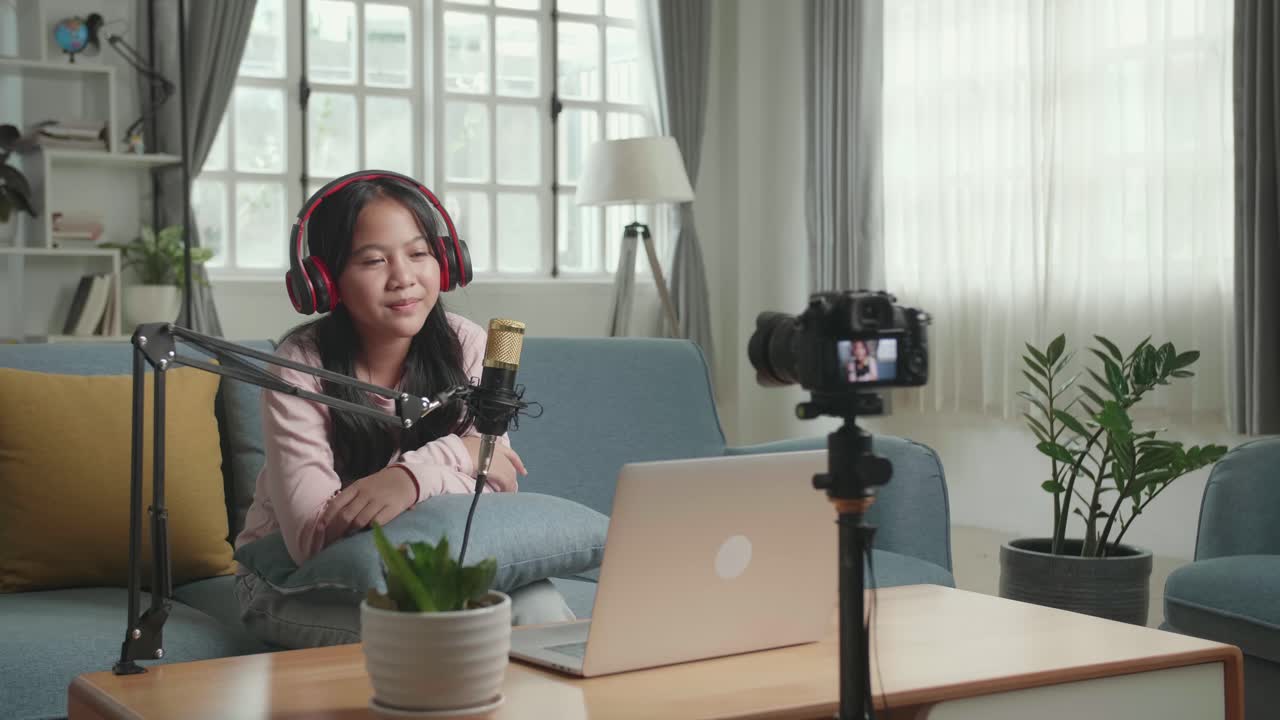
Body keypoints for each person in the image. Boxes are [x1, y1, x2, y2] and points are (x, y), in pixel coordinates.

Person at [234, 176, 572, 647]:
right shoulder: (299, 366)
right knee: (437, 641)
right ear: (325, 282)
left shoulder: (469, 344)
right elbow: (314, 535)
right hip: (293, 583)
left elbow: (496, 486)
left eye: (418, 254)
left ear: (446, 261)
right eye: (374, 260)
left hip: (426, 562)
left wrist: (411, 479)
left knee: (540, 607)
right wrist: (463, 454)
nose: (404, 277)